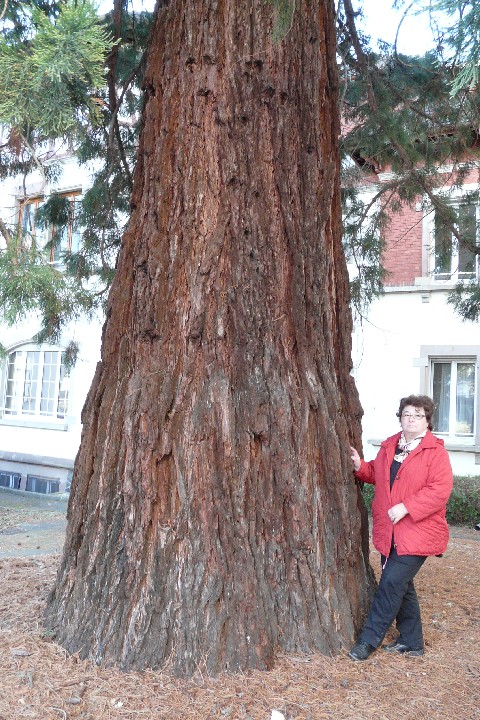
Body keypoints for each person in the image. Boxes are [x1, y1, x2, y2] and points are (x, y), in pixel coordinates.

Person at [348, 394, 453, 661]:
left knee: (391, 583)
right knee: (402, 586)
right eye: (407, 414)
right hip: (390, 531)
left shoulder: (435, 452)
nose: (412, 419)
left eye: (418, 415)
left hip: (418, 532)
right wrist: (361, 467)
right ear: (400, 417)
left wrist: (407, 506)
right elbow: (379, 475)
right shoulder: (390, 446)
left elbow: (440, 490)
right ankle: (412, 641)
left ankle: (367, 642)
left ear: (427, 421)